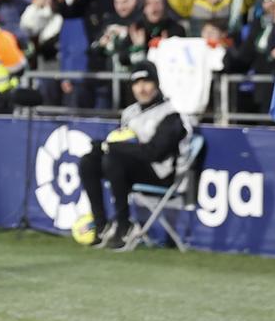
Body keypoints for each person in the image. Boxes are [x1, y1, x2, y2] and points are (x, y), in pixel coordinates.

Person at [77, 62, 190, 249]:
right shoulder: (130, 113)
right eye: (137, 83)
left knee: (113, 159)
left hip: (161, 174)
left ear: (156, 83)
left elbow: (155, 152)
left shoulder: (171, 114)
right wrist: (104, 147)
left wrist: (112, 147)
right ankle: (101, 226)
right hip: (131, 167)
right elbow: (123, 144)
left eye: (147, 82)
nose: (142, 88)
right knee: (89, 161)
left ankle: (124, 226)